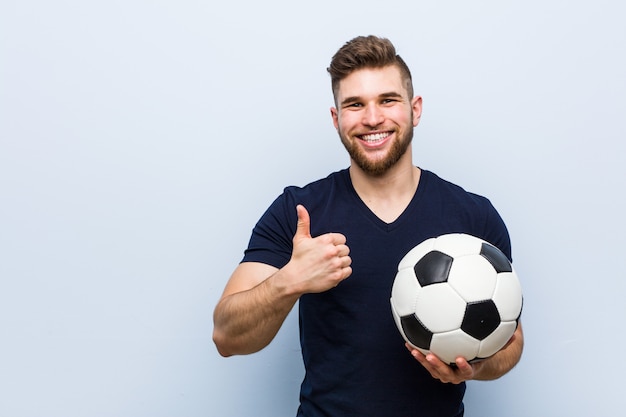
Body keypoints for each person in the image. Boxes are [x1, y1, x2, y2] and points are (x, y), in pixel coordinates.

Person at [212, 35, 524, 417]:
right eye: (355, 104)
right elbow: (226, 337)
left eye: (387, 100)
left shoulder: (473, 217)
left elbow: (512, 341)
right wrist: (289, 280)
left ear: (416, 109)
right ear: (336, 118)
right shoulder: (299, 213)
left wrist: (475, 368)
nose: (372, 118)